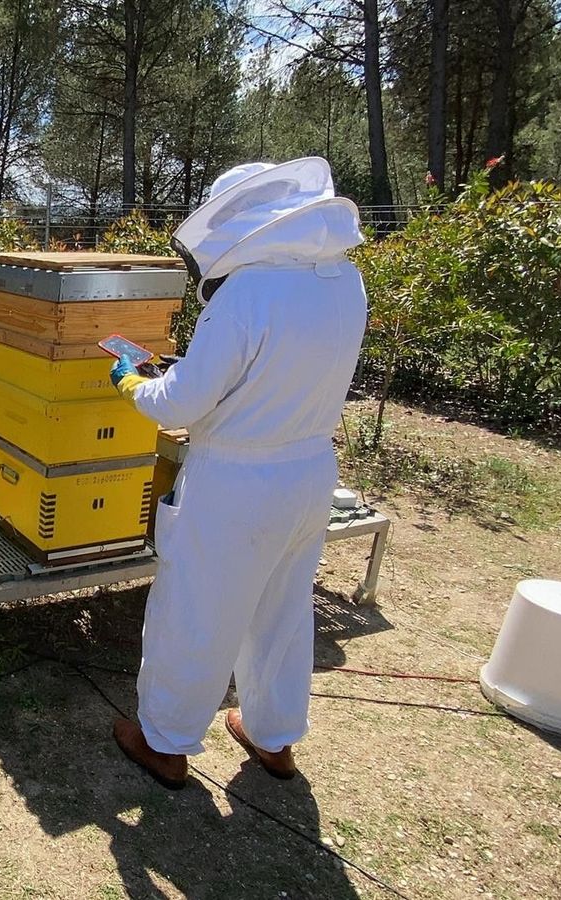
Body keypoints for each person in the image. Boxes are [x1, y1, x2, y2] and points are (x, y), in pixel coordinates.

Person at [108, 158, 368, 789]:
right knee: (282, 610)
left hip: (234, 483)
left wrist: (131, 381)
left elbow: (179, 405)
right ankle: (273, 738)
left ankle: (165, 743)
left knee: (196, 609)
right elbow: (277, 375)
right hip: (309, 472)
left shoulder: (249, 292)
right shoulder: (346, 282)